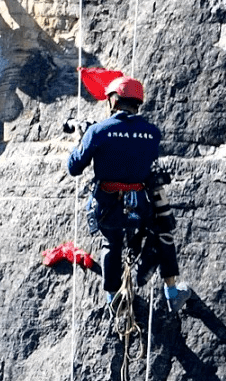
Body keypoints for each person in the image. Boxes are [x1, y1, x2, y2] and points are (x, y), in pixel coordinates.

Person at [67, 76, 192, 313]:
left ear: (113, 100)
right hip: (140, 203)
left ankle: (114, 298)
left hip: (107, 203)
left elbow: (74, 167)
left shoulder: (97, 131)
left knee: (111, 243)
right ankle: (172, 293)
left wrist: (80, 139)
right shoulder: (152, 133)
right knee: (161, 234)